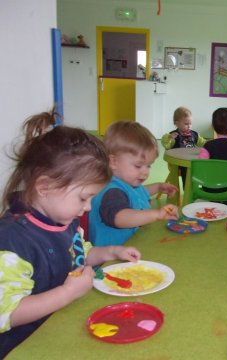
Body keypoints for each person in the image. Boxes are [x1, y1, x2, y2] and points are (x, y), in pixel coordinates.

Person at [0, 109, 142, 357]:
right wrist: (67, 293)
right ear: (45, 186)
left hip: (61, 328)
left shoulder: (64, 221)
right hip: (23, 347)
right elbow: (8, 312)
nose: (87, 208)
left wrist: (111, 251)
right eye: (83, 198)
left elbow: (80, 254)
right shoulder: (12, 241)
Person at [89, 121, 179, 247]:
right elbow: (119, 217)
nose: (145, 172)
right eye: (138, 166)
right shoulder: (111, 191)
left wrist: (158, 187)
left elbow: (137, 193)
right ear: (114, 161)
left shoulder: (127, 184)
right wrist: (156, 214)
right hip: (111, 261)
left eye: (148, 166)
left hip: (130, 248)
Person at [161, 107, 207, 186]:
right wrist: (169, 138)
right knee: (186, 169)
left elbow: (203, 143)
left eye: (190, 124)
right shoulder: (173, 135)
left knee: (204, 166)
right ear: (177, 123)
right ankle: (187, 189)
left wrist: (212, 144)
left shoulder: (194, 134)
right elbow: (166, 144)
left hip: (193, 161)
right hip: (178, 163)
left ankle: (200, 187)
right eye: (186, 124)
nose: (189, 126)